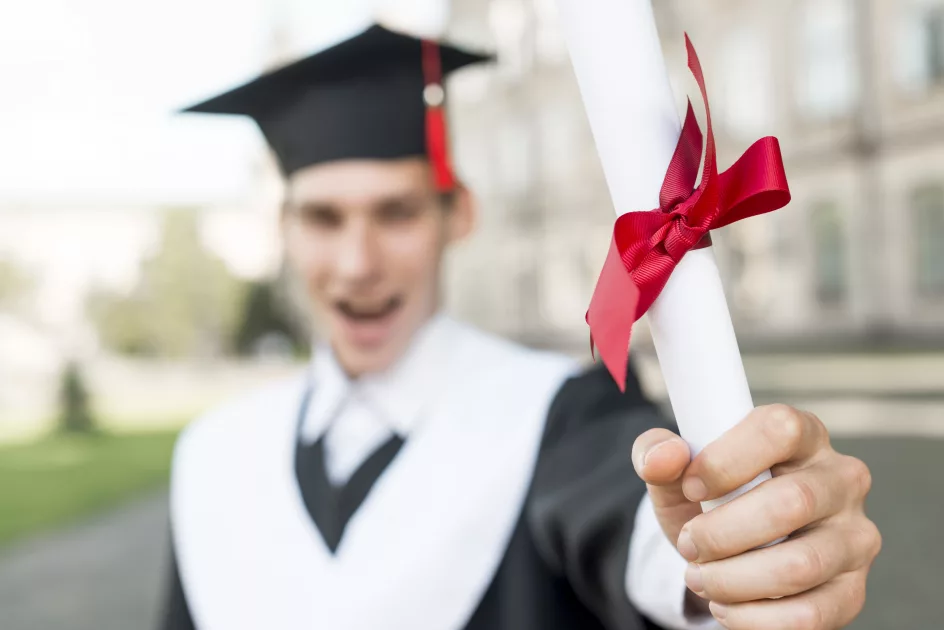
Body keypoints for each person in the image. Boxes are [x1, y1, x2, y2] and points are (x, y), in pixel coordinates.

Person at [160, 24, 880, 630]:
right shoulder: (216, 456)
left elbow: (643, 529)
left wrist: (733, 557)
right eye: (322, 217)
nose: (357, 263)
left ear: (458, 214)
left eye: (397, 212)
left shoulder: (559, 412)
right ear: (282, 228)